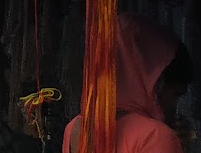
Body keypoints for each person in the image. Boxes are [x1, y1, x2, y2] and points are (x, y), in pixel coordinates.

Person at [64, 15, 191, 153]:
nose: (174, 106)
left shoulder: (75, 128)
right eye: (176, 95)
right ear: (158, 82)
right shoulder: (155, 136)